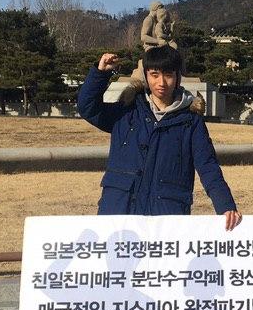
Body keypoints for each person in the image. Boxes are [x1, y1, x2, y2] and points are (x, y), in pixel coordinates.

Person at [78, 46, 242, 230]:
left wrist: (225, 205)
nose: (161, 82)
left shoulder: (191, 121)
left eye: (168, 75)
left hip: (166, 213)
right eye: (154, 75)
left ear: (178, 77)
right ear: (146, 76)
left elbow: (208, 166)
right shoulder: (127, 111)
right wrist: (100, 74)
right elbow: (88, 108)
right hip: (118, 208)